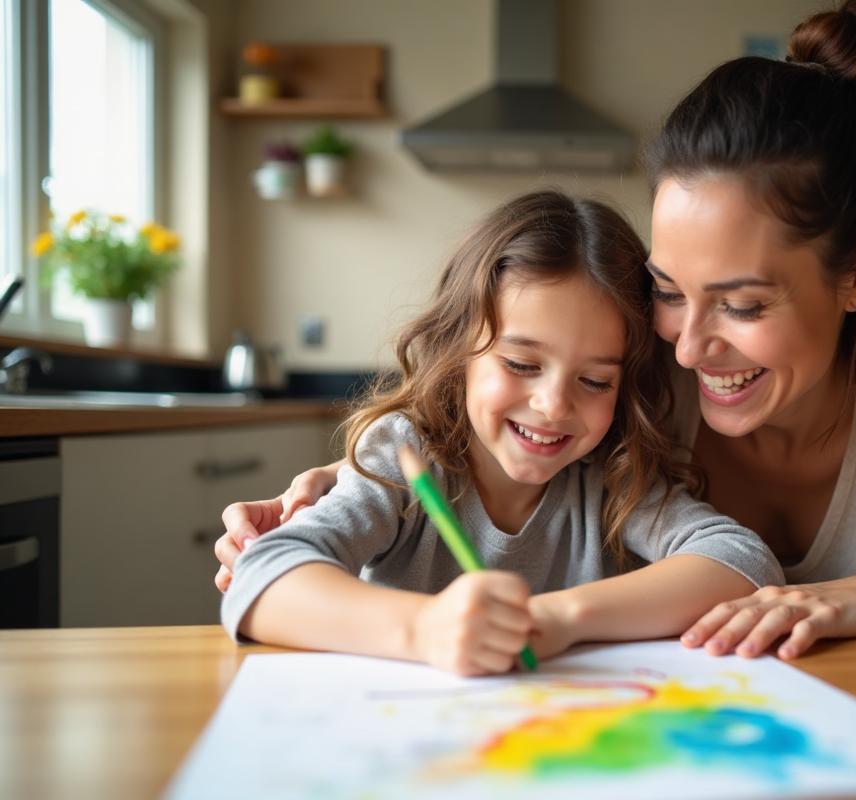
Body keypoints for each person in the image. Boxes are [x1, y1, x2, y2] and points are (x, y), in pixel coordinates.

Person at [215, 2, 856, 661]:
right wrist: (342, 491)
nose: (683, 349)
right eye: (669, 290)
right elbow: (459, 461)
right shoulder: (621, 375)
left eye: (742, 303)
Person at [220, 190, 783, 676]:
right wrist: (424, 631)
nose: (554, 404)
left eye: (594, 380)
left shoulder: (609, 477)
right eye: (520, 364)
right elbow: (261, 576)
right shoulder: (404, 456)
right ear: (460, 349)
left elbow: (744, 563)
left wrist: (557, 619)